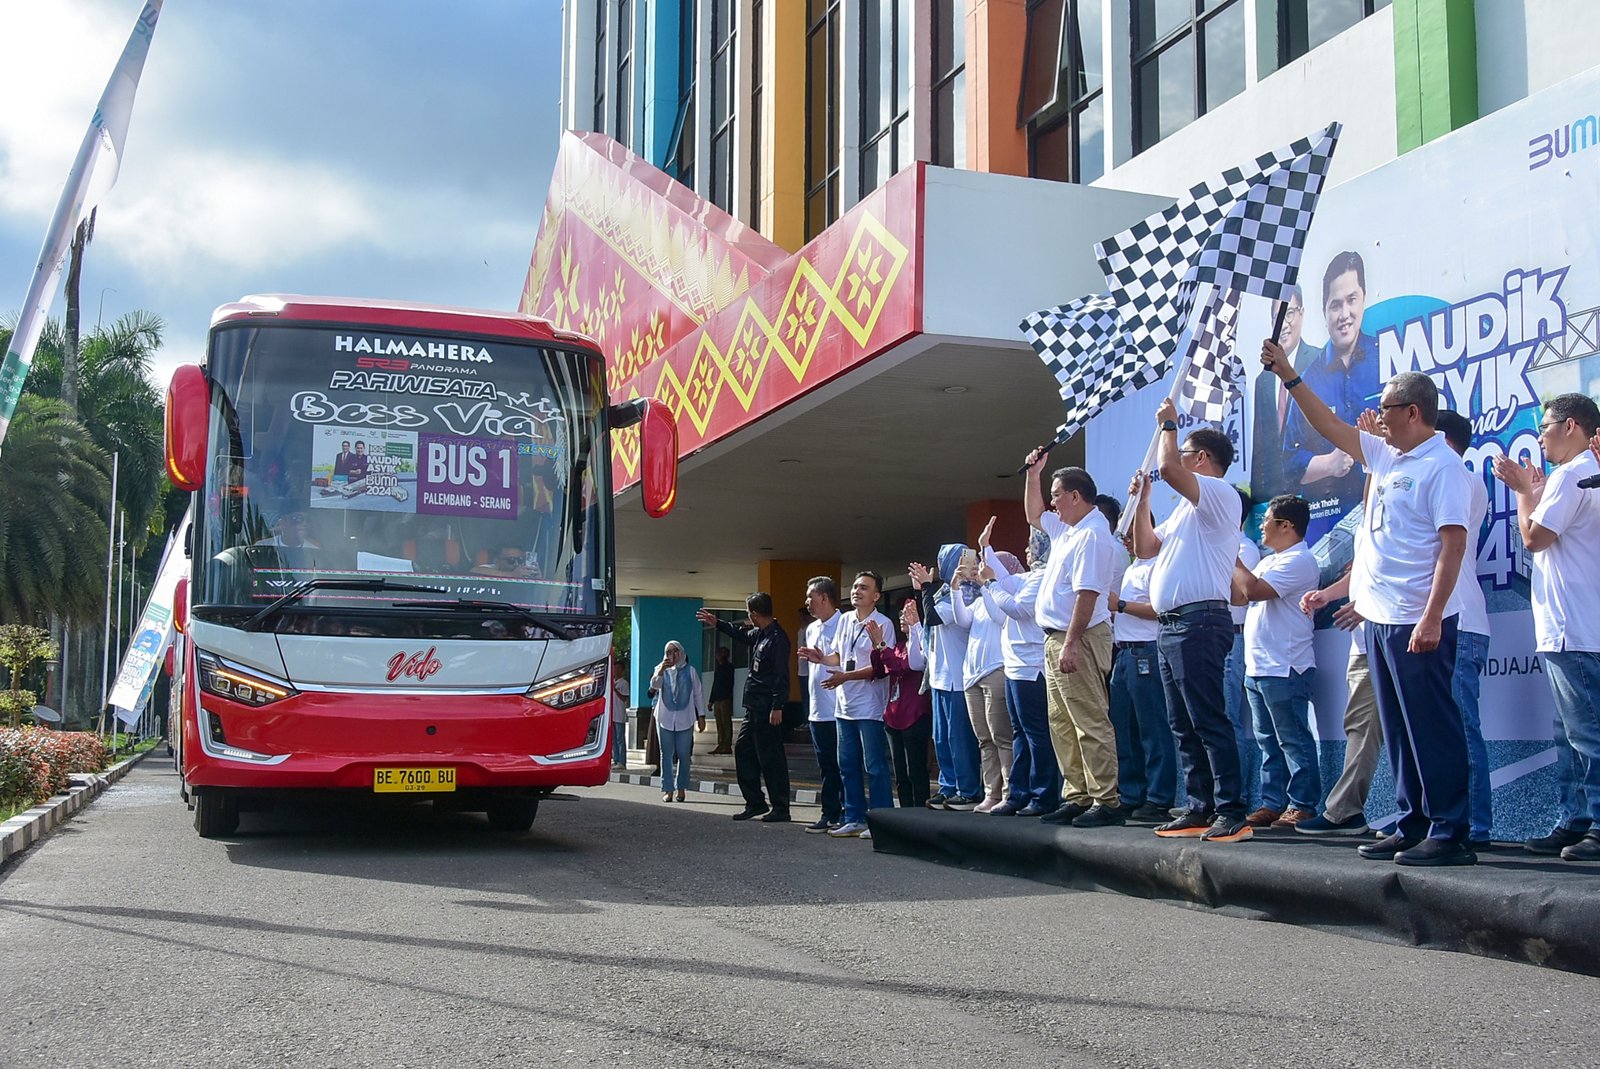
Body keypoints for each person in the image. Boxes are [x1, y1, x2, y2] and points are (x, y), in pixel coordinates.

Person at [1264, 339, 1476, 865]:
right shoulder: (1386, 454)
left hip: (1416, 619)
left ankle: (1450, 831)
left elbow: (1452, 546)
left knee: (1431, 727)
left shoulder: (1442, 466)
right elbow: (1329, 425)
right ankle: (1412, 823)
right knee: (1399, 730)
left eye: (1385, 408)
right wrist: (1290, 375)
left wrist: (1431, 617)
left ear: (1412, 412)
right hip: (1379, 620)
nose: (1377, 417)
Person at [1129, 402, 1251, 843]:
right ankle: (1200, 806)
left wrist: (1168, 424)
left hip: (1200, 622)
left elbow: (1167, 465)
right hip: (1173, 626)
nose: (1176, 460)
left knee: (1207, 718)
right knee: (1182, 723)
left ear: (1201, 458)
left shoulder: (1220, 493)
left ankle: (1230, 810)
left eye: (1184, 452)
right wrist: (1143, 502)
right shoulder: (1185, 511)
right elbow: (1145, 548)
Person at [1493, 393, 1600, 861]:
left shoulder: (1573, 474)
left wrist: (1523, 494)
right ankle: (1575, 820)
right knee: (1570, 734)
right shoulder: (1582, 474)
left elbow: (1534, 538)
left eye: (1545, 427)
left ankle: (1594, 823)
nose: (1540, 437)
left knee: (1586, 734)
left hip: (1572, 627)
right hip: (1573, 625)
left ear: (1570, 426)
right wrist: (1536, 496)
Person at [1021, 455, 1121, 828]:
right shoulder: (1069, 529)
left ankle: (1105, 799)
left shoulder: (1092, 534)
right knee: (1061, 722)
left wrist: (1072, 642)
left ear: (1075, 496)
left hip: (1078, 636)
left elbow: (1088, 593)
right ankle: (1078, 795)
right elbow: (1034, 515)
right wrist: (1034, 474)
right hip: (1056, 637)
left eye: (1056, 495)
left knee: (1088, 718)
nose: (1052, 503)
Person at [1234, 494, 1323, 829]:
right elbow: (1239, 595)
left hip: (1286, 666)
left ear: (1286, 526)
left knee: (1293, 739)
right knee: (1267, 741)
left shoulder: (1300, 559)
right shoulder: (1268, 561)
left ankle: (1303, 804)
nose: (1261, 526)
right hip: (1258, 665)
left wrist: (1230, 553)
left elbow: (1254, 591)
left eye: (1266, 520)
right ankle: (1273, 803)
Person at [1283, 252, 1381, 541]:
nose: (1344, 314)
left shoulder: (1387, 357)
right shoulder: (1307, 381)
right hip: (1325, 529)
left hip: (1385, 518)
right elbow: (1288, 463)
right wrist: (1328, 463)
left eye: (1352, 300)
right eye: (1335, 305)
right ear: (1324, 311)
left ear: (1364, 298)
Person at [1437, 409, 1494, 848]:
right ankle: (1446, 821)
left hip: (1460, 619)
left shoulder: (1460, 476)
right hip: (1443, 618)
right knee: (1443, 729)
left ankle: (1474, 826)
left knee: (1460, 728)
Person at [804, 571, 895, 839]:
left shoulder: (883, 624)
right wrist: (822, 658)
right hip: (844, 706)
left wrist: (845, 676)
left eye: (864, 588)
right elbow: (840, 656)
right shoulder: (845, 620)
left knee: (874, 765)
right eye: (855, 587)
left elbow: (881, 667)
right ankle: (854, 817)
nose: (857, 591)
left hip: (869, 706)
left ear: (876, 596)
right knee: (847, 764)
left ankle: (881, 820)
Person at [981, 525, 1062, 817]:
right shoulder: (1030, 576)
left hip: (1032, 666)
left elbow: (1017, 608)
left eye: (1032, 544)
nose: (1027, 549)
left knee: (1036, 733)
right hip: (1015, 666)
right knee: (1020, 733)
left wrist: (990, 584)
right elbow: (1006, 579)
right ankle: (1018, 793)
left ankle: (1043, 796)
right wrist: (985, 548)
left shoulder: (1045, 577)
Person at [697, 594, 791, 823]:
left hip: (767, 707)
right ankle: (755, 802)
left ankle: (781, 807)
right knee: (743, 752)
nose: (748, 616)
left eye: (748, 612)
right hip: (753, 706)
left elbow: (781, 675)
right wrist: (718, 623)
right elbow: (740, 634)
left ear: (755, 614)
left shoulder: (777, 639)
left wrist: (777, 705)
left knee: (771, 758)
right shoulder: (760, 634)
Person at [1106, 530, 1178, 822]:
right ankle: (1132, 793)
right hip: (1124, 651)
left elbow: (1161, 610)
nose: (1127, 541)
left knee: (1152, 727)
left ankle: (1159, 797)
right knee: (1124, 728)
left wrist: (1121, 605)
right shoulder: (1132, 567)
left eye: (1132, 534)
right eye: (1125, 536)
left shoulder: (1160, 564)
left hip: (1146, 650)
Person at [909, 547, 983, 810]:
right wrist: (921, 590)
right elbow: (927, 617)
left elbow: (933, 617)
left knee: (959, 738)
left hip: (958, 678)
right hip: (939, 678)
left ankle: (968, 789)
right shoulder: (940, 593)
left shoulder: (965, 593)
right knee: (941, 738)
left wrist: (925, 588)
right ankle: (948, 785)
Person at [945, 545, 1015, 812]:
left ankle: (1009, 792)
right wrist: (955, 588)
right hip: (972, 675)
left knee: (1001, 736)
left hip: (996, 669)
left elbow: (1000, 616)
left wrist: (985, 585)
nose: (980, 570)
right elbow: (962, 620)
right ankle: (991, 792)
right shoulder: (978, 601)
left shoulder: (1003, 597)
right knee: (984, 739)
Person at [870, 598, 933, 809]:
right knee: (900, 774)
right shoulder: (897, 646)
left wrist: (882, 646)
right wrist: (876, 647)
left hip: (914, 714)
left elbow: (904, 666)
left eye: (908, 613)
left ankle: (920, 813)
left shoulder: (923, 646)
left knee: (916, 770)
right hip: (893, 716)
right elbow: (880, 671)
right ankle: (905, 813)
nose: (903, 618)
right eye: (901, 615)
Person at [1224, 487, 1264, 812]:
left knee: (1227, 717)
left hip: (1231, 637)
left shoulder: (1244, 549)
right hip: (1209, 636)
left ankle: (1232, 797)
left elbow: (1238, 596)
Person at [1251, 288, 1308, 503]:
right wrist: (1258, 502)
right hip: (1275, 499)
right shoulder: (1263, 380)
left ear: (1302, 313)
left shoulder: (1318, 360)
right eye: (1277, 318)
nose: (1283, 325)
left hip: (1312, 494)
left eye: (1289, 313)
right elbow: (1261, 450)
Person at [801, 577, 846, 833]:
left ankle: (847, 812)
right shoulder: (811, 629)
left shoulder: (845, 623)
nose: (807, 602)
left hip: (838, 708)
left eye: (811, 596)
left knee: (843, 765)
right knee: (826, 765)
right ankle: (829, 813)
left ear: (824, 597)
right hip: (817, 710)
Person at [649, 640, 706, 802]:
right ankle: (668, 789)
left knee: (684, 754)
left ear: (681, 653)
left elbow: (698, 694)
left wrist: (701, 716)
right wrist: (661, 670)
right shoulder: (660, 668)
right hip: (664, 718)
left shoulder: (691, 671)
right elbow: (654, 685)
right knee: (666, 754)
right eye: (669, 652)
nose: (672, 655)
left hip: (685, 719)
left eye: (675, 651)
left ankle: (681, 788)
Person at [708, 646, 735, 755]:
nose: (717, 656)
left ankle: (727, 745)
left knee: (726, 722)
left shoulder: (729, 667)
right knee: (719, 722)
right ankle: (720, 744)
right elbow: (715, 684)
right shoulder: (718, 668)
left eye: (720, 653)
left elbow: (729, 684)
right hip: (717, 699)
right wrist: (711, 700)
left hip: (725, 699)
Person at [255, 508, 321, 549]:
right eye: (298, 519)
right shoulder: (262, 546)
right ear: (283, 523)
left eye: (308, 520)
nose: (304, 524)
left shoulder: (313, 550)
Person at [473, 543, 538, 578]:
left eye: (520, 560)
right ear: (497, 562)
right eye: (511, 560)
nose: (516, 564)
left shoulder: (525, 571)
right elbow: (474, 570)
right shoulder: (492, 569)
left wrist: (538, 580)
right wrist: (511, 575)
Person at [610, 665, 631, 771]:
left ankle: (622, 761)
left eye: (618, 668)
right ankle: (616, 760)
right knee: (613, 739)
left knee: (620, 739)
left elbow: (624, 698)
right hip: (612, 715)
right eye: (615, 669)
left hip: (619, 715)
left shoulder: (624, 683)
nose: (616, 671)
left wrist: (615, 690)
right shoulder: (612, 682)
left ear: (622, 670)